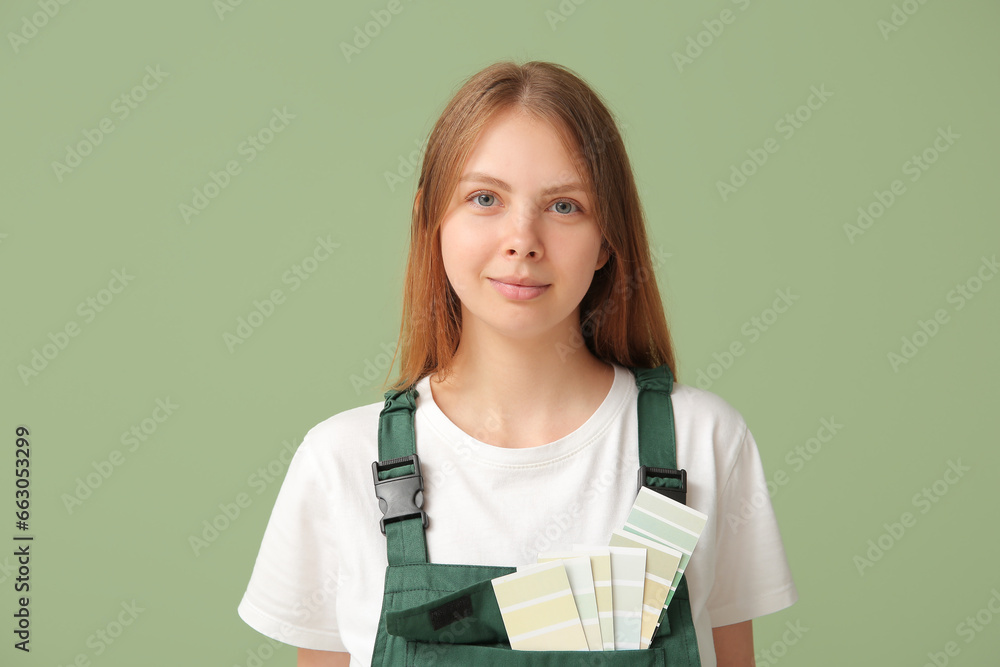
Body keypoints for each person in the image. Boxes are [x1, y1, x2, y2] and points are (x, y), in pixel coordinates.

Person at [237, 60, 798, 667]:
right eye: (485, 199)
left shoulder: (700, 442)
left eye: (564, 206)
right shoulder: (341, 461)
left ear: (608, 237)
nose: (522, 239)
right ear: (432, 221)